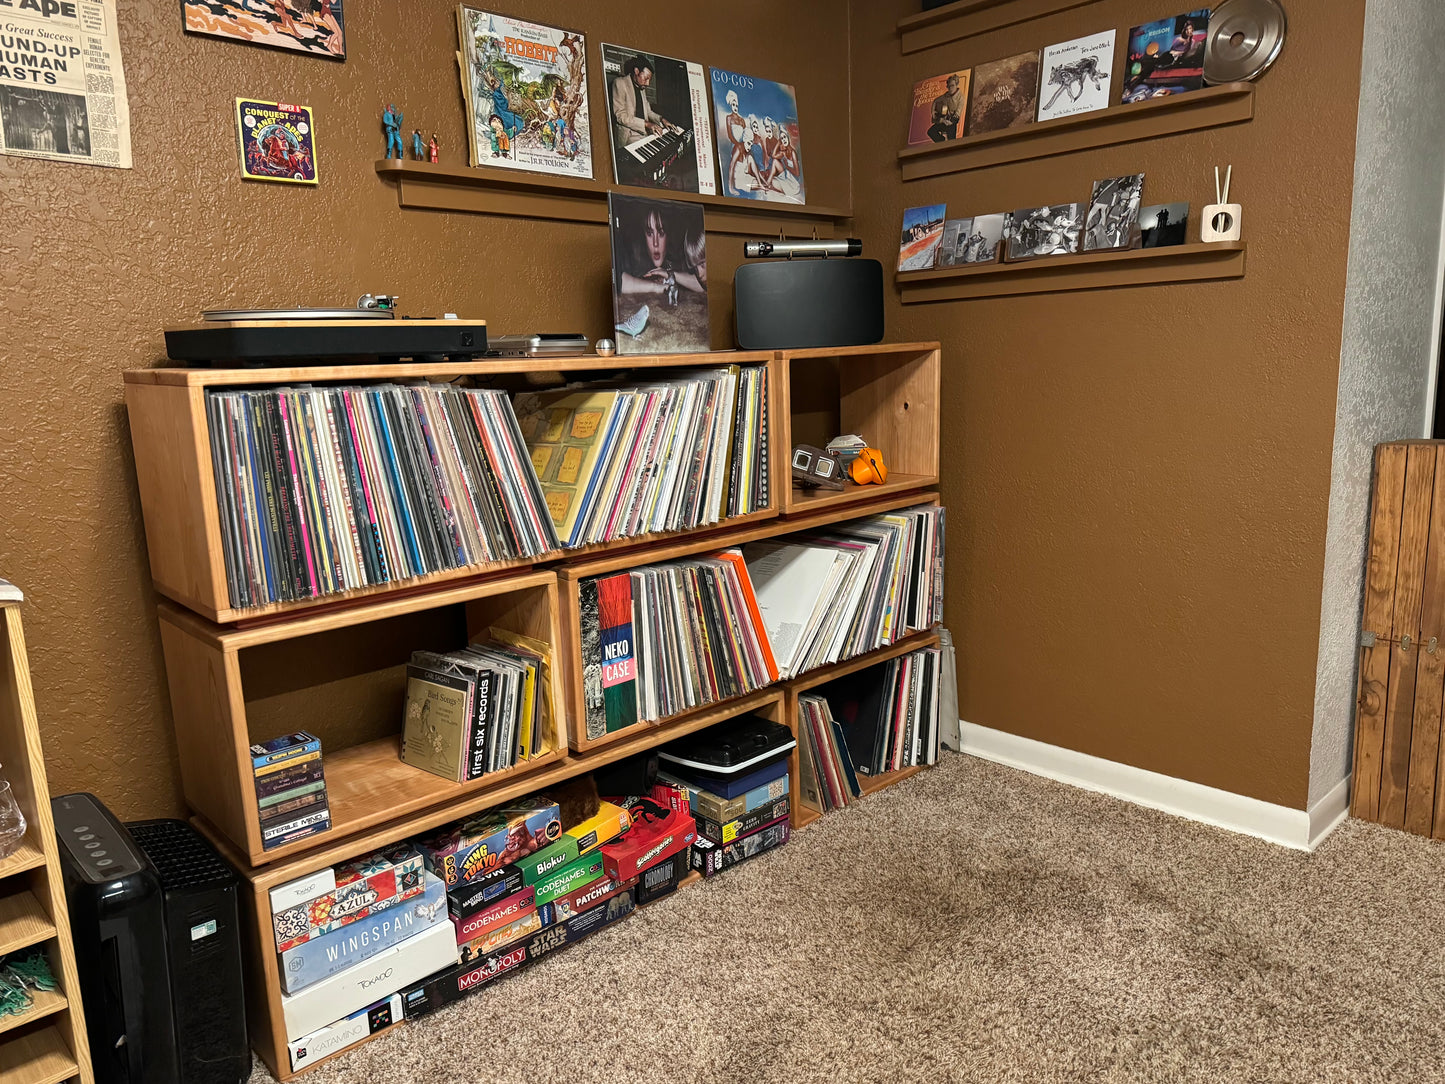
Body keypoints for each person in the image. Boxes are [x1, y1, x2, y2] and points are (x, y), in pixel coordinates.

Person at [618, 206, 704, 304]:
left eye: (661, 233)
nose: (655, 243)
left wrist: (670, 274)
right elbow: (619, 281)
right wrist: (655, 287)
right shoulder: (632, 260)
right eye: (650, 233)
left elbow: (703, 284)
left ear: (669, 236)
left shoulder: (681, 259)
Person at [611, 54, 678, 145]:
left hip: (645, 131)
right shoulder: (620, 83)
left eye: (649, 80)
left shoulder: (641, 87)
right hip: (629, 135)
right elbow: (620, 116)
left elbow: (649, 112)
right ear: (636, 71)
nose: (648, 84)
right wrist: (647, 124)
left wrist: (662, 119)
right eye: (646, 78)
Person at [928, 74, 964, 142]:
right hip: (943, 120)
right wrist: (933, 112)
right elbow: (936, 101)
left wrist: (951, 121)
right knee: (931, 132)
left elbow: (957, 114)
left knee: (951, 142)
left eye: (952, 86)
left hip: (952, 123)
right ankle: (941, 141)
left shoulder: (961, 98)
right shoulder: (946, 96)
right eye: (949, 86)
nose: (950, 88)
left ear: (956, 85)